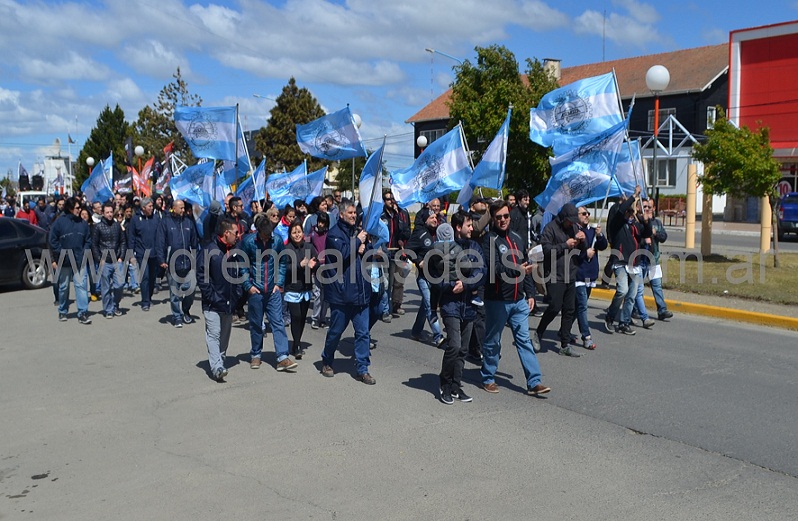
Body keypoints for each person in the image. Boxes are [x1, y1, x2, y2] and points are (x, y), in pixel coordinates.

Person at [481, 200, 550, 396]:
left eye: (505, 216)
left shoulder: (517, 238)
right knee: (493, 341)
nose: (503, 220)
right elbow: (495, 269)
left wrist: (530, 294)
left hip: (518, 300)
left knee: (524, 340)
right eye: (498, 217)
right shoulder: (489, 240)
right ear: (493, 219)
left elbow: (525, 267)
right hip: (497, 300)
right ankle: (488, 377)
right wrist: (517, 270)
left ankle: (534, 381)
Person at [430, 212, 485, 405]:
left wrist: (466, 284)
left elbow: (481, 272)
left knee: (463, 349)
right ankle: (444, 384)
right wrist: (451, 284)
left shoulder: (474, 246)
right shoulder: (440, 251)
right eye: (469, 225)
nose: (472, 228)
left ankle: (456, 385)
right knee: (453, 345)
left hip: (469, 304)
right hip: (450, 303)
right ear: (457, 227)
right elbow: (435, 277)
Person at [319, 202, 376, 385]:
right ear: (342, 215)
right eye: (350, 213)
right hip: (342, 294)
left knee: (363, 333)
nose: (354, 215)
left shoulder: (358, 232)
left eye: (354, 212)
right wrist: (358, 241)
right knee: (335, 332)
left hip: (360, 293)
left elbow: (366, 256)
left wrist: (364, 247)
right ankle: (327, 360)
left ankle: (362, 369)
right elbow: (341, 254)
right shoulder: (334, 234)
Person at [240, 217, 297, 371]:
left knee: (278, 321)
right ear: (258, 231)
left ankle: (282, 357)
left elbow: (282, 262)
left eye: (269, 234)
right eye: (265, 235)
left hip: (273, 291)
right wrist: (248, 286)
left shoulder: (276, 241)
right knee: (257, 324)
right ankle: (256, 355)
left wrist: (279, 283)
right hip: (255, 291)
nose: (268, 237)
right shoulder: (248, 242)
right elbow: (242, 264)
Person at [196, 218, 245, 382]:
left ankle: (220, 362)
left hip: (229, 302)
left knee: (224, 337)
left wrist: (237, 294)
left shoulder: (236, 251)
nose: (238, 235)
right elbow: (202, 276)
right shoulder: (209, 250)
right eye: (236, 232)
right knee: (214, 334)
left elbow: (240, 273)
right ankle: (216, 367)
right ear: (227, 233)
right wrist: (211, 296)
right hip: (213, 303)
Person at [536, 203, 586, 357]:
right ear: (563, 218)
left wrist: (583, 241)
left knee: (569, 310)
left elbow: (581, 252)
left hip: (570, 274)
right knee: (554, 306)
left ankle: (565, 344)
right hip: (555, 274)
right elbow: (546, 250)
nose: (571, 224)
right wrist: (565, 245)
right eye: (569, 220)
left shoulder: (574, 228)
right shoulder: (550, 228)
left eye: (573, 221)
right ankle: (538, 333)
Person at [605, 186, 652, 335]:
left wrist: (646, 222)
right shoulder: (617, 222)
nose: (630, 214)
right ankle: (610, 317)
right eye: (628, 211)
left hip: (635, 264)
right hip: (620, 262)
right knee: (622, 290)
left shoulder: (635, 226)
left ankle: (624, 323)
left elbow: (647, 234)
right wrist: (634, 196)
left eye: (632, 212)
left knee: (631, 295)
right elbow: (620, 210)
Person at [155, 199, 199, 328]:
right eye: (180, 208)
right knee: (174, 293)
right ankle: (177, 316)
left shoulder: (188, 222)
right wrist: (162, 260)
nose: (183, 210)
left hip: (188, 263)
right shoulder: (166, 222)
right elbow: (160, 242)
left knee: (191, 289)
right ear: (174, 208)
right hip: (172, 263)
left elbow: (194, 242)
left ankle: (185, 309)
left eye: (184, 208)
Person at [49, 197, 92, 324]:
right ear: (70, 208)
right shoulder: (59, 222)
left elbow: (88, 241)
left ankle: (83, 312)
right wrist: (60, 255)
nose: (80, 210)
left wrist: (84, 253)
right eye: (77, 208)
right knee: (63, 287)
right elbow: (53, 240)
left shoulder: (83, 224)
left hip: (79, 260)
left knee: (81, 287)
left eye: (80, 208)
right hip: (64, 260)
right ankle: (62, 310)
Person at [406, 207, 444, 347]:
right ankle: (438, 336)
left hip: (437, 276)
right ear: (425, 220)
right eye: (431, 218)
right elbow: (408, 249)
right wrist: (418, 261)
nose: (435, 220)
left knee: (425, 305)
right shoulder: (420, 234)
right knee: (430, 305)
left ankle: (416, 331)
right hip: (423, 277)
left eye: (436, 218)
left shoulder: (439, 233)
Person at [574, 206, 608, 350]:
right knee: (582, 306)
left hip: (591, 273)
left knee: (577, 307)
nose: (587, 215)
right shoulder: (574, 231)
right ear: (577, 216)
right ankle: (586, 336)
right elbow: (570, 252)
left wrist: (600, 235)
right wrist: (584, 253)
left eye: (588, 213)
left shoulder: (593, 230)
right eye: (583, 213)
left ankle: (564, 330)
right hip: (578, 274)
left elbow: (603, 246)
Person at [283, 221, 318, 359]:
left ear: (303, 233)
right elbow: (284, 268)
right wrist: (300, 265)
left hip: (306, 287)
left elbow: (317, 263)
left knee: (302, 317)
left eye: (299, 232)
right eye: (294, 232)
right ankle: (296, 345)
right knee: (295, 316)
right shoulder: (286, 249)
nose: (297, 235)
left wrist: (313, 265)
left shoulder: (309, 247)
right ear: (290, 234)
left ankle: (296, 343)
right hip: (292, 288)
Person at [92, 202, 128, 319]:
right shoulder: (97, 227)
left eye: (111, 212)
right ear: (102, 213)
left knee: (120, 285)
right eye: (107, 212)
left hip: (116, 260)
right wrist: (99, 259)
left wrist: (121, 256)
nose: (109, 214)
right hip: (104, 261)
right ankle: (108, 309)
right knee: (105, 288)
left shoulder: (117, 226)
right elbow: (94, 245)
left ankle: (115, 304)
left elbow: (123, 241)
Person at [381, 189, 412, 317]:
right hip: (385, 252)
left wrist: (399, 215)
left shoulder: (400, 214)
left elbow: (405, 232)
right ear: (384, 201)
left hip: (398, 252)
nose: (391, 201)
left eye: (393, 198)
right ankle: (385, 309)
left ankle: (396, 305)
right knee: (387, 283)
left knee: (398, 281)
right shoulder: (381, 215)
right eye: (388, 199)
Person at [127, 197, 162, 312]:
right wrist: (131, 254)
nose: (152, 208)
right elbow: (131, 237)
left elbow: (160, 235)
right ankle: (145, 301)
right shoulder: (135, 219)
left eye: (152, 206)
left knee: (152, 277)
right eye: (150, 206)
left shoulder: (156, 218)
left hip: (154, 253)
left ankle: (149, 297)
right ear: (143, 208)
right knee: (145, 276)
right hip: (141, 253)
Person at [309, 212, 330, 329]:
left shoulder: (329, 234)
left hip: (327, 267)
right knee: (317, 294)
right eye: (320, 222)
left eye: (324, 222)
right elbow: (309, 249)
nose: (321, 225)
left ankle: (323, 318)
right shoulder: (312, 234)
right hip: (317, 267)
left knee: (326, 295)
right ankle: (315, 318)